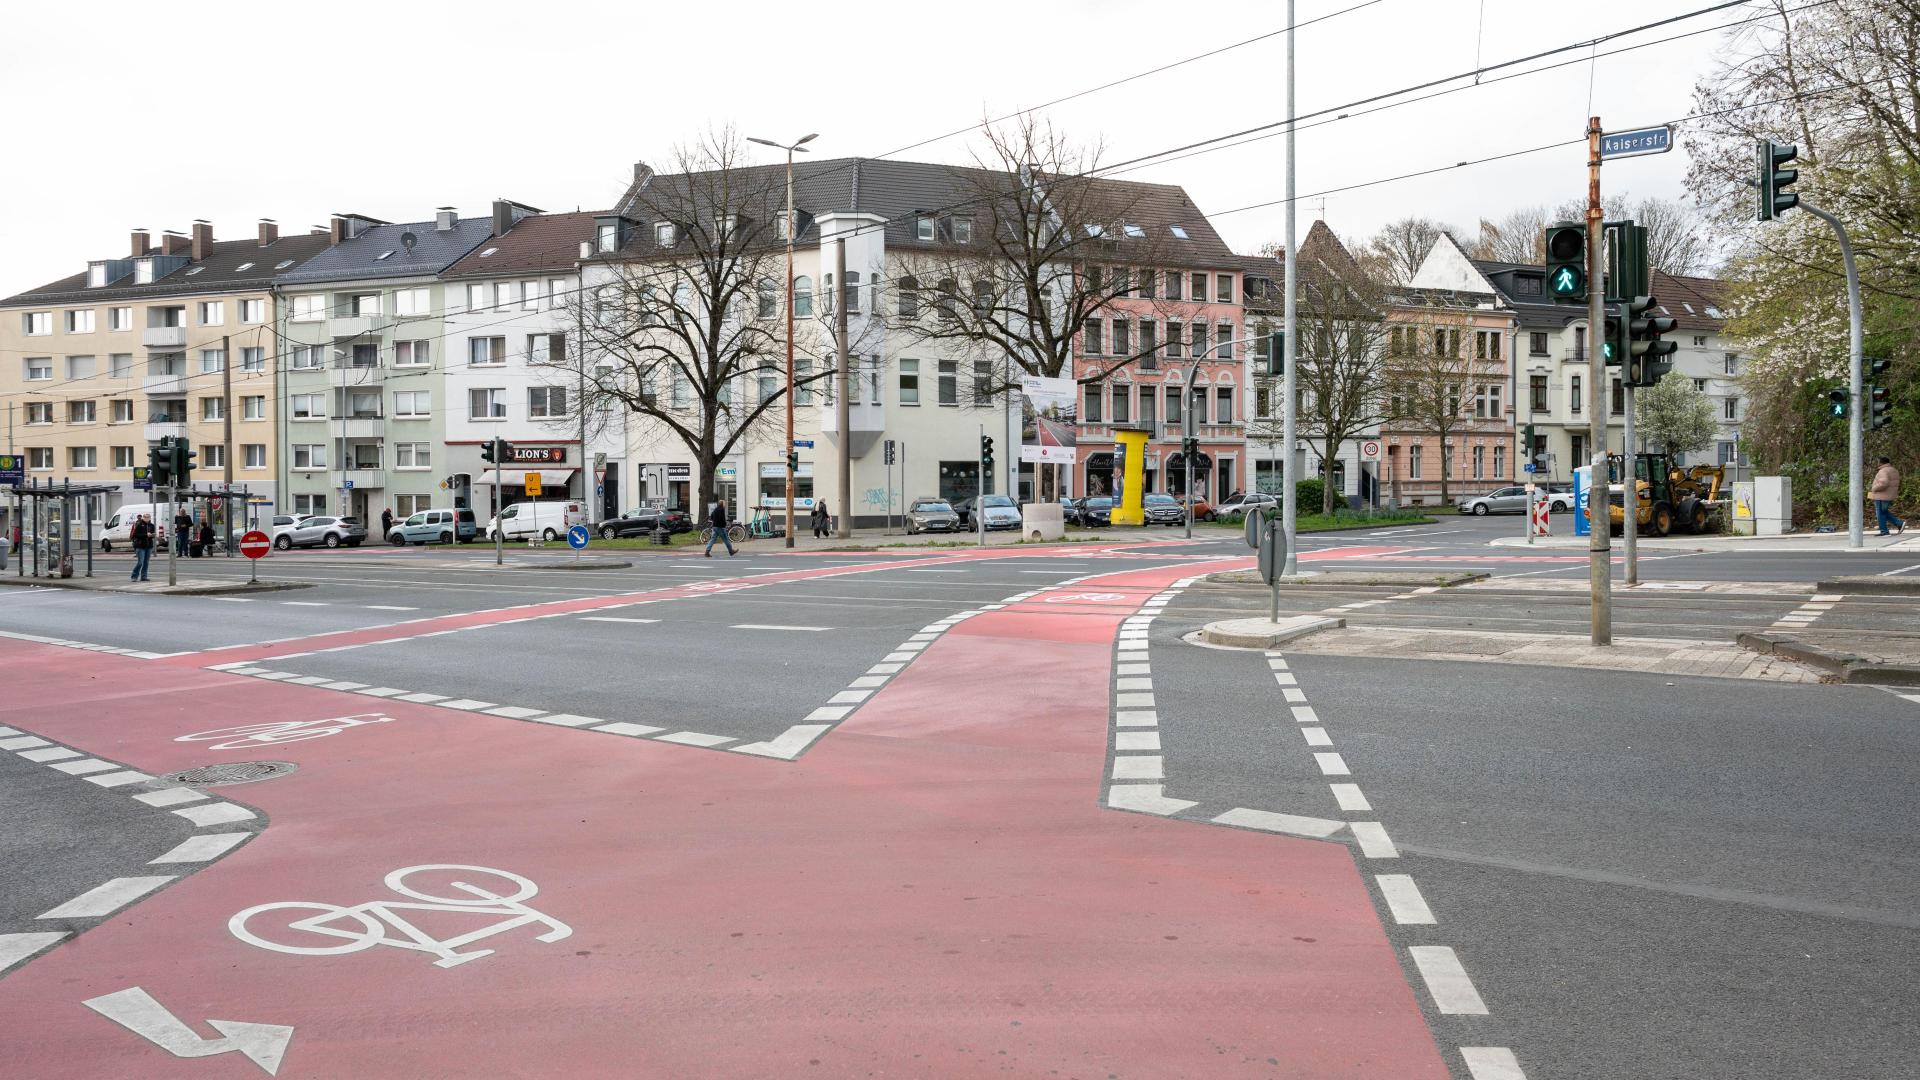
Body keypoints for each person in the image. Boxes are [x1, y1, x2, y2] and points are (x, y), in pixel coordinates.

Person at [1870, 456, 1904, 536]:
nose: (1877, 463)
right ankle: (1899, 524)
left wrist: (1874, 488)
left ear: (1881, 462)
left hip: (1881, 495)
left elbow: (1884, 483)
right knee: (1884, 512)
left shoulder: (1883, 471)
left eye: (1878, 462)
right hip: (1889, 495)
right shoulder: (1894, 470)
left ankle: (1884, 531)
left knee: (1880, 514)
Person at [130, 514, 154, 581]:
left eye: (148, 517)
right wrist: (146, 535)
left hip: (149, 546)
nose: (147, 518)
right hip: (140, 546)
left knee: (146, 562)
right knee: (140, 562)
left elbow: (153, 534)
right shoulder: (139, 525)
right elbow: (135, 535)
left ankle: (144, 576)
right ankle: (134, 576)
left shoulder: (152, 525)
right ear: (143, 518)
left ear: (150, 518)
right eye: (145, 517)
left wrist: (152, 535)